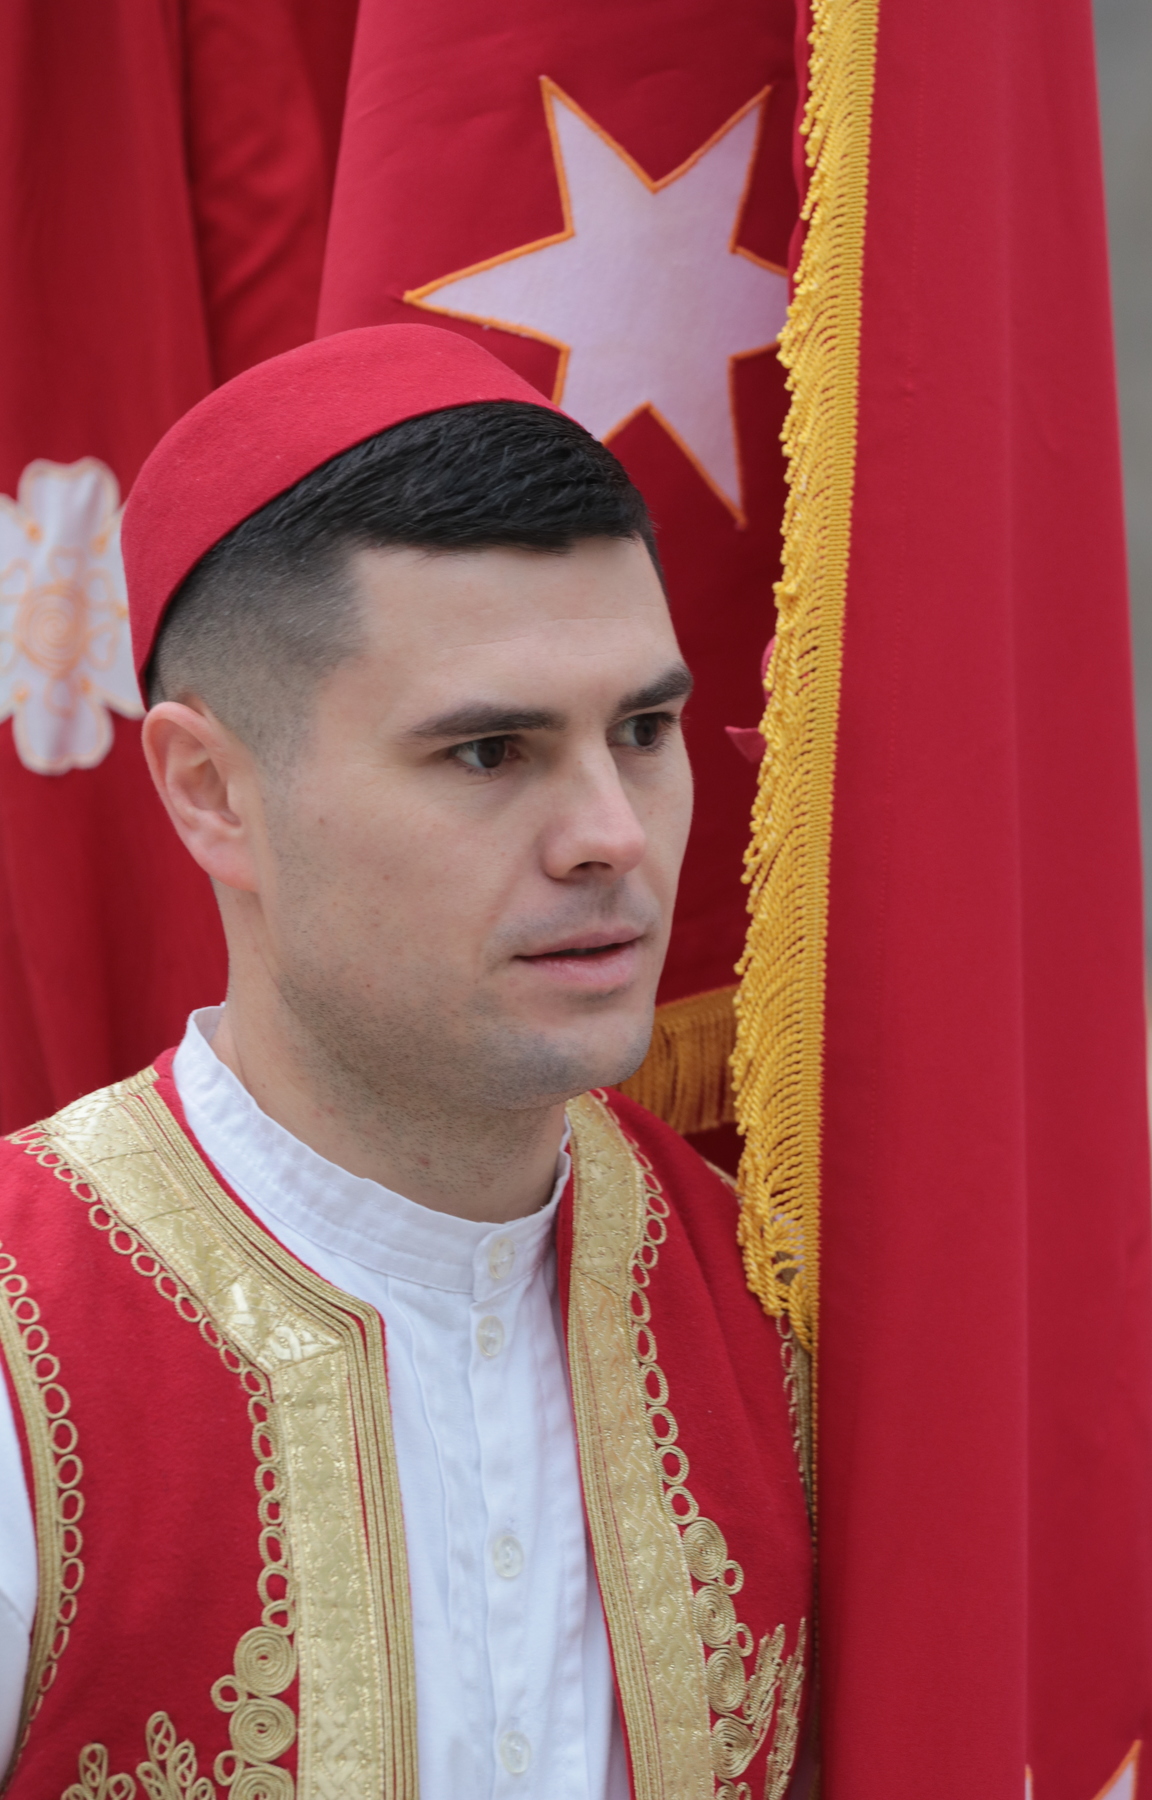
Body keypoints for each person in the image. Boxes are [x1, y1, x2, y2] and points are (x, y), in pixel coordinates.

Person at [0, 324, 811, 1799]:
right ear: (211, 791)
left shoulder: (781, 1314)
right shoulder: (20, 1345)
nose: (612, 836)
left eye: (644, 729)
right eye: (490, 752)